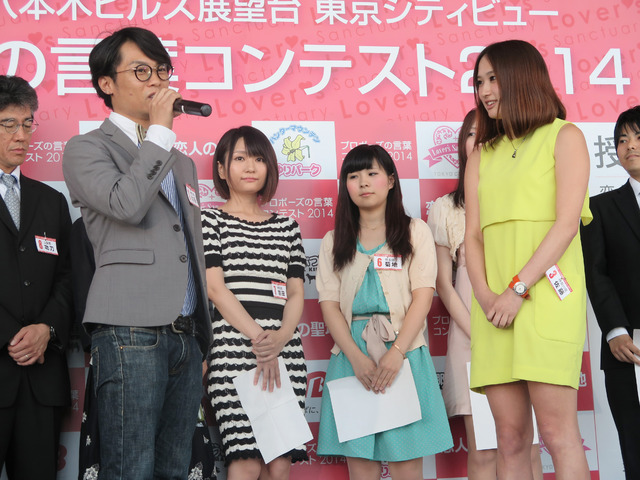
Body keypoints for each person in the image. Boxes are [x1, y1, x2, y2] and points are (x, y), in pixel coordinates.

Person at [62, 27, 211, 479]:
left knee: (174, 469)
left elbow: (188, 244)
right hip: (130, 330)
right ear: (106, 83)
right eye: (142, 71)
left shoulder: (181, 162)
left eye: (162, 70)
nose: (157, 81)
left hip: (185, 335)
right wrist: (160, 133)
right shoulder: (87, 147)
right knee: (130, 467)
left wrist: (201, 336)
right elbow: (126, 204)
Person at [464, 40, 592, 480]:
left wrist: (517, 289)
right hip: (494, 308)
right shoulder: (482, 153)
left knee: (558, 434)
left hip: (545, 300)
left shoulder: (564, 136)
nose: (484, 91)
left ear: (521, 77)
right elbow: (473, 236)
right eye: (479, 81)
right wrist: (486, 297)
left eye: (493, 78)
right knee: (510, 438)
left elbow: (566, 225)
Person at [316, 144, 452, 479]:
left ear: (391, 180)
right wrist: (356, 358)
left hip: (404, 353)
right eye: (353, 176)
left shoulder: (414, 230)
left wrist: (397, 352)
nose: (363, 182)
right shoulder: (334, 240)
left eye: (372, 173)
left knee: (407, 465)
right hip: (351, 357)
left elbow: (424, 295)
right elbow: (329, 305)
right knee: (361, 467)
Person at [428, 109, 543, 480]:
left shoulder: (523, 199)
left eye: (489, 132)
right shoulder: (446, 208)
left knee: (529, 448)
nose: (479, 140)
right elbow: (443, 284)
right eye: (471, 133)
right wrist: (477, 330)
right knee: (484, 450)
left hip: (522, 327)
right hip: (471, 338)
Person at [202, 125, 308, 479]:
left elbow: (296, 292)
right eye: (240, 158)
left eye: (259, 159)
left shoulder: (287, 227)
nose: (250, 167)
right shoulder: (209, 220)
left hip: (284, 347)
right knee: (245, 461)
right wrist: (261, 340)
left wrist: (280, 338)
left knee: (279, 464)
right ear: (221, 169)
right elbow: (215, 289)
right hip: (232, 347)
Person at [0, 75, 72, 479]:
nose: (22, 135)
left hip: (41, 381)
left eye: (27, 123)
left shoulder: (51, 201)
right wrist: (11, 336)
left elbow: (68, 277)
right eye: (9, 124)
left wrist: (47, 328)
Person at [581, 105, 640, 480]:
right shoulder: (599, 208)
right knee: (635, 450)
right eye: (622, 139)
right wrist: (615, 330)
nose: (630, 145)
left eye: (638, 136)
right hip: (627, 348)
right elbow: (595, 273)